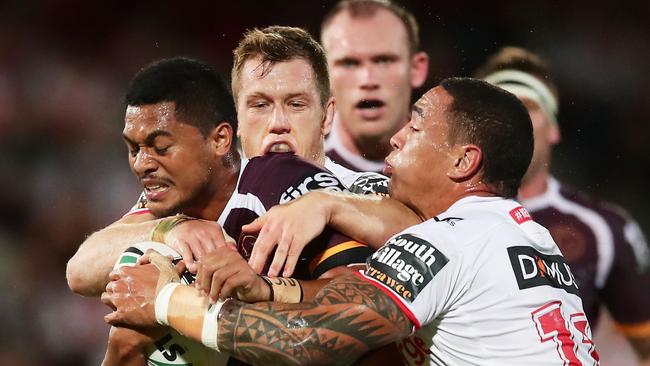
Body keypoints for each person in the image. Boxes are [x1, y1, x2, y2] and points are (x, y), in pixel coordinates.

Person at [103, 77, 600, 365]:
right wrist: (268, 291)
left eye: (418, 124)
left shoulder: (450, 239)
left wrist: (166, 302)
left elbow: (308, 341)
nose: (397, 137)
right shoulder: (527, 237)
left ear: (463, 162)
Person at [66, 48, 372, 364]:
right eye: (134, 149)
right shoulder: (170, 206)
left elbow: (369, 301)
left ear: (220, 140)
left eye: (161, 147)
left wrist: (261, 291)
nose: (143, 164)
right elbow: (79, 271)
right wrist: (169, 229)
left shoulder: (282, 182)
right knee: (132, 310)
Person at [474, 46, 650, 363]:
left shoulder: (602, 229)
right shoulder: (437, 214)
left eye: (527, 106)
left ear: (554, 128)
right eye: (501, 107)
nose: (514, 119)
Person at [321, 0, 429, 173]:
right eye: (349, 63)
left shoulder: (448, 166)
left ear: (416, 69)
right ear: (324, 75)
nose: (368, 80)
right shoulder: (298, 166)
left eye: (384, 60)